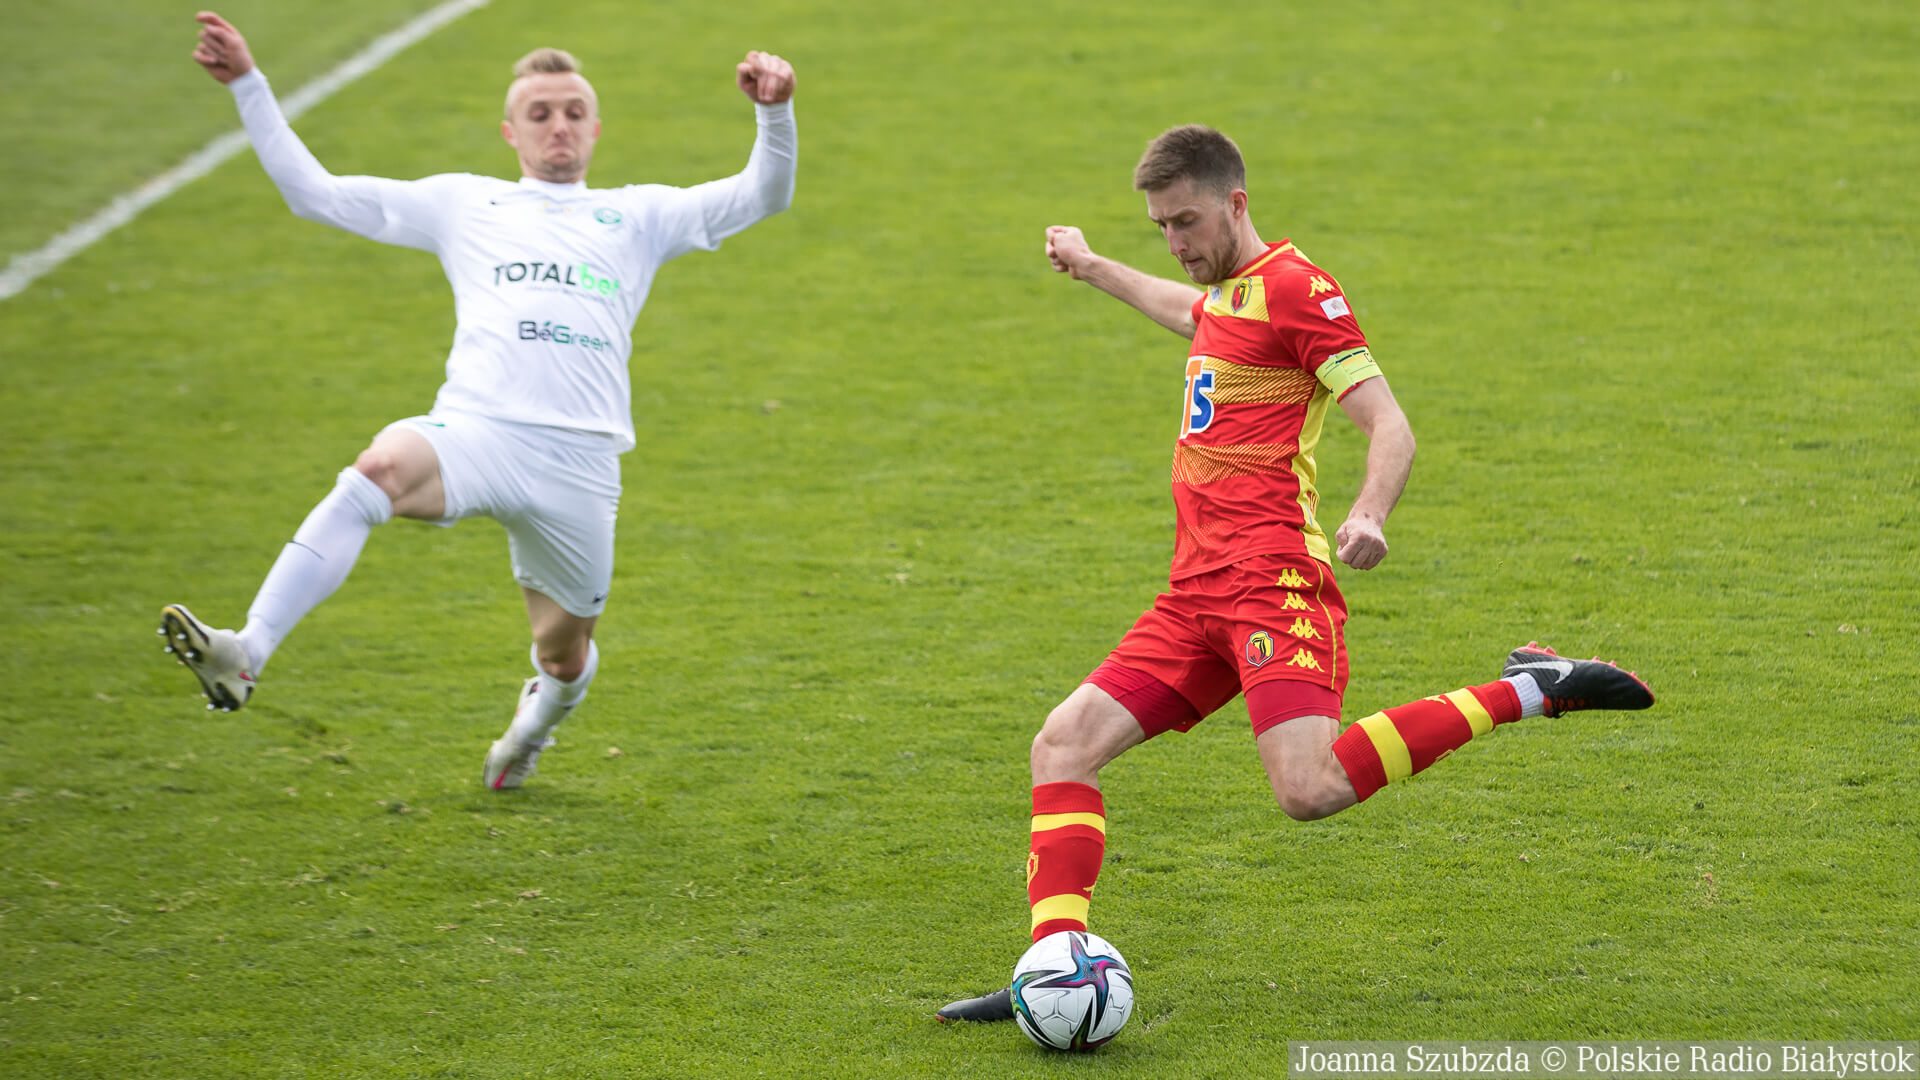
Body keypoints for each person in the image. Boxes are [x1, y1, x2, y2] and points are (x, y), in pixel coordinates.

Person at [937, 125, 1653, 1022]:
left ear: (1235, 203)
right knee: (1062, 746)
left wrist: (1369, 512)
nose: (1174, 242)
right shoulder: (1229, 293)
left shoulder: (1297, 289)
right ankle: (1053, 963)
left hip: (1270, 583)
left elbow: (1390, 424)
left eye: (1186, 222)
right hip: (1193, 594)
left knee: (1308, 789)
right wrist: (1092, 266)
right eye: (1161, 226)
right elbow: (1190, 312)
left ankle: (1530, 689)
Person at [158, 11, 798, 789]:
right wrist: (249, 85)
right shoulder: (465, 203)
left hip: (580, 463)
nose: (558, 125)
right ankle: (247, 651)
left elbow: (763, 195)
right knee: (376, 472)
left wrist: (774, 112)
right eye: (540, 113)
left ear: (596, 129)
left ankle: (531, 731)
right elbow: (314, 194)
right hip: (477, 431)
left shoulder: (639, 215)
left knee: (564, 656)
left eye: (573, 112)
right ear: (510, 132)